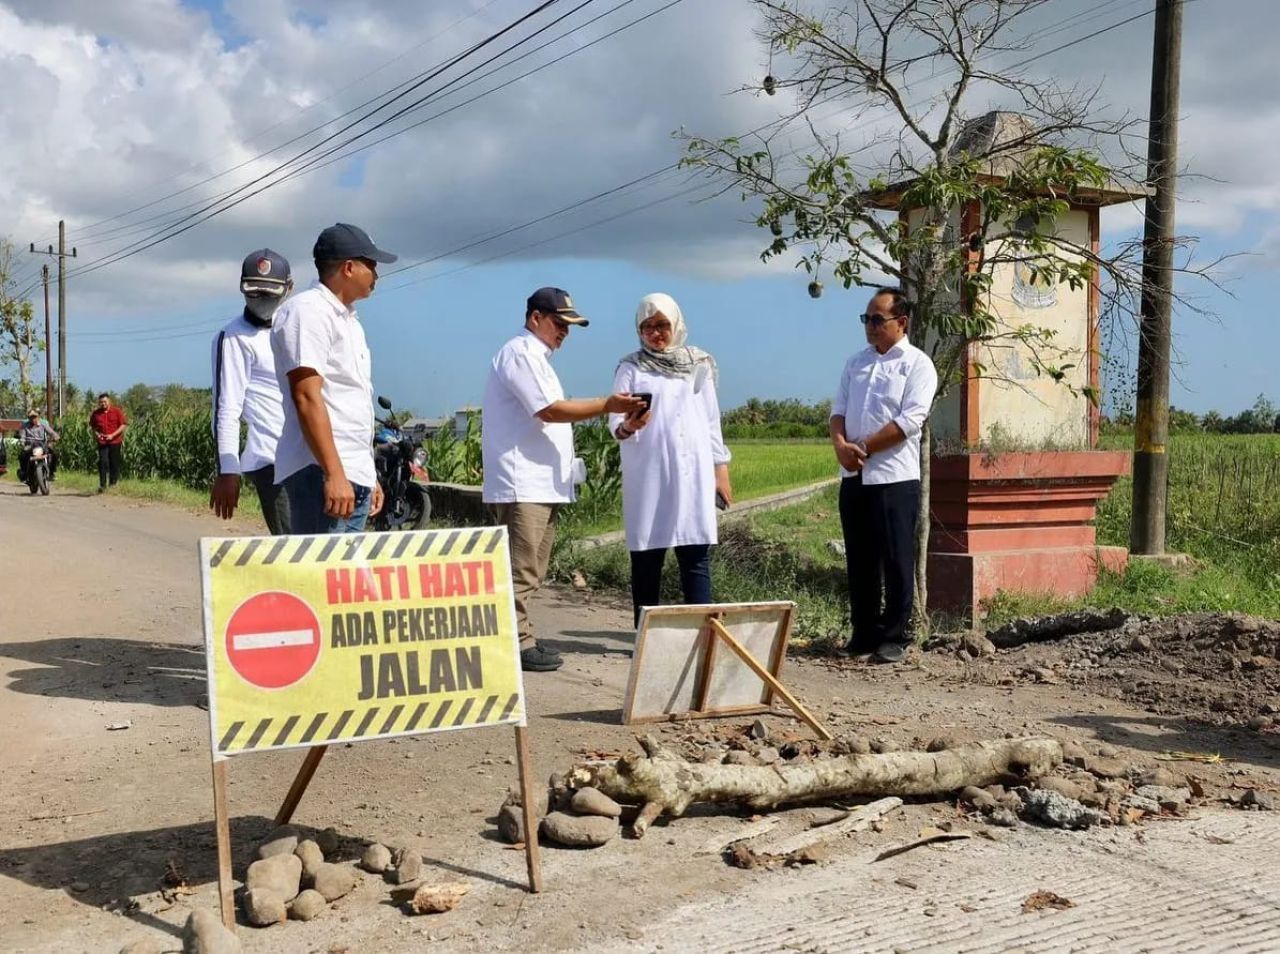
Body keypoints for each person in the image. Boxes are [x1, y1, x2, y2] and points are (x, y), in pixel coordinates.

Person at [481, 287, 645, 672]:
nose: (564, 333)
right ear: (535, 318)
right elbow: (550, 411)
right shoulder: (520, 354)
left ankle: (520, 637)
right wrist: (607, 404)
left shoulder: (537, 359)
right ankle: (515, 643)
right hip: (522, 482)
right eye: (559, 323)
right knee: (520, 569)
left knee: (532, 570)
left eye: (568, 327)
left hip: (540, 483)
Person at [609, 293, 733, 627]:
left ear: (676, 324)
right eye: (647, 326)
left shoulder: (698, 363)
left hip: (693, 473)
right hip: (648, 474)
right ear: (639, 330)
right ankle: (645, 635)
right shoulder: (631, 367)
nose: (656, 333)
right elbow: (615, 420)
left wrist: (720, 470)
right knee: (647, 557)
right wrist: (628, 426)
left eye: (662, 325)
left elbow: (711, 421)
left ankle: (702, 634)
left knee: (695, 555)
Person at [830, 287, 938, 664]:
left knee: (896, 559)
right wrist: (840, 446)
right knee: (860, 559)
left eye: (878, 319)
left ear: (901, 322)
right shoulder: (855, 363)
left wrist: (863, 447)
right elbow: (838, 411)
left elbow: (910, 420)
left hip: (894, 477)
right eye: (867, 319)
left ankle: (895, 636)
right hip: (854, 476)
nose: (870, 326)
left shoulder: (917, 364)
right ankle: (863, 633)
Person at [272, 223, 395, 534]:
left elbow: (348, 400)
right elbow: (306, 396)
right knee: (318, 565)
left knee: (346, 566)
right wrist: (334, 473)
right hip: (320, 472)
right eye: (372, 264)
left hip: (351, 472)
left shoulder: (349, 320)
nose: (377, 274)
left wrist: (368, 475)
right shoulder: (308, 312)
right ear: (349, 268)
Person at [210, 248, 293, 535]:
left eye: (269, 293)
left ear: (289, 288)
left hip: (310, 456)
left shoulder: (298, 328)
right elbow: (226, 409)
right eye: (254, 292)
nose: (261, 300)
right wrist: (228, 470)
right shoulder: (234, 337)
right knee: (294, 545)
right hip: (271, 460)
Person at [89, 393, 128, 492]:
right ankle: (102, 485)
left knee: (114, 463)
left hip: (115, 441)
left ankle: (113, 483)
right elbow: (93, 427)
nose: (103, 404)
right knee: (103, 462)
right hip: (102, 442)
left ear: (109, 401)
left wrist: (113, 435)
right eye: (101, 402)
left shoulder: (117, 411)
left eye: (105, 401)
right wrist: (97, 434)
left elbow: (123, 425)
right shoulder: (96, 414)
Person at [18, 410, 59, 483]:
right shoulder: (25, 426)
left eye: (35, 417)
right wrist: (22, 443)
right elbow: (22, 436)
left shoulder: (43, 425)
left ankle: (52, 473)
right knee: (22, 455)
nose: (33, 419)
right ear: (29, 418)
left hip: (42, 445)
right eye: (31, 417)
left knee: (54, 454)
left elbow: (51, 432)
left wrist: (55, 436)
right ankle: (24, 474)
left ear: (38, 417)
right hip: (30, 445)